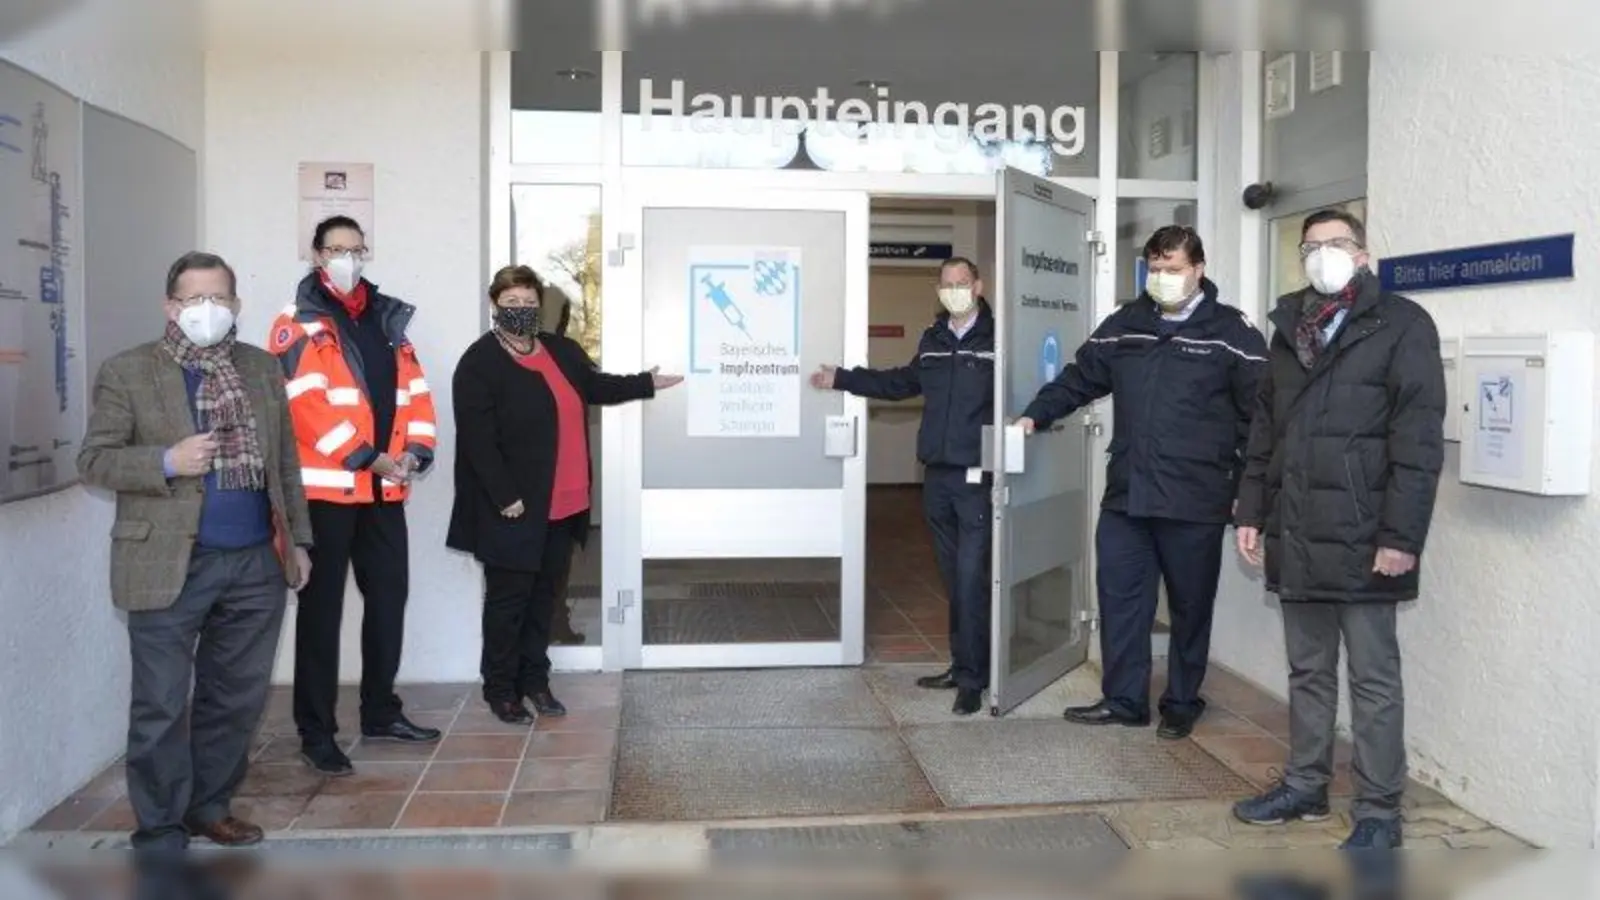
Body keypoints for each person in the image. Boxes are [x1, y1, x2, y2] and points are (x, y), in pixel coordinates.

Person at [78, 251, 313, 849]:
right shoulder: (129, 370)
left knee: (234, 699)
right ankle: (159, 826)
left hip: (255, 560)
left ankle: (209, 806)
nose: (206, 311)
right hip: (165, 564)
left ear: (235, 306)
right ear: (170, 307)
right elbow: (94, 459)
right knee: (159, 705)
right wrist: (166, 460)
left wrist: (299, 543)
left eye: (218, 299)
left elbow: (284, 461)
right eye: (193, 300)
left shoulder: (261, 368)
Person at [1231, 209, 1446, 850]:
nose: (1323, 254)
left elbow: (1418, 441)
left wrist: (1401, 537)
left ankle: (1380, 810)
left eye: (1337, 244)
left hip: (1367, 534)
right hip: (1296, 530)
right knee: (1308, 670)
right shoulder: (1288, 327)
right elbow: (1264, 430)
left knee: (1373, 679)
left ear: (1362, 251)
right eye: (1311, 246)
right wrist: (1250, 510)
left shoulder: (1402, 325)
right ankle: (1306, 786)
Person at [1016, 226, 1267, 739]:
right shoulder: (1126, 324)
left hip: (1195, 496)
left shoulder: (1232, 332)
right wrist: (1034, 416)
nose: (1162, 278)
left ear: (1199, 269)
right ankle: (1124, 698)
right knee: (1120, 598)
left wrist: (1249, 489)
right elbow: (1079, 377)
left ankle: (1181, 699)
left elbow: (1260, 417)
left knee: (1189, 604)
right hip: (1129, 493)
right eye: (1154, 269)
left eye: (1173, 269)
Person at [447, 265, 681, 723]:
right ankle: (500, 689)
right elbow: (477, 440)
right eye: (511, 304)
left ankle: (536, 681)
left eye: (528, 304)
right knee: (508, 603)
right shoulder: (479, 362)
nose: (520, 311)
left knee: (544, 600)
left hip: (566, 501)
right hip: (513, 506)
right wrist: (504, 495)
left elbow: (596, 387)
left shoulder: (561, 351)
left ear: (540, 306)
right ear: (495, 306)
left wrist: (645, 382)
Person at [268, 215, 440, 776]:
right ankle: (316, 731)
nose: (346, 257)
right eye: (335, 248)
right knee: (322, 613)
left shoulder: (390, 320)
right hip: (330, 492)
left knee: (389, 600)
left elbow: (415, 393)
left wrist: (415, 451)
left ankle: (380, 711)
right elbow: (306, 406)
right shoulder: (297, 323)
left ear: (367, 252)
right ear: (316, 254)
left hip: (385, 490)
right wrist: (369, 456)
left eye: (355, 247)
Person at [811, 256, 993, 716]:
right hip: (937, 476)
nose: (954, 290)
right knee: (954, 579)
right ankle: (961, 664)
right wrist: (843, 378)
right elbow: (901, 383)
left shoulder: (998, 340)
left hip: (978, 478)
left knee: (973, 580)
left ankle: (975, 680)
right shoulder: (932, 340)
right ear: (939, 289)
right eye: (947, 283)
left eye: (962, 283)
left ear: (978, 286)